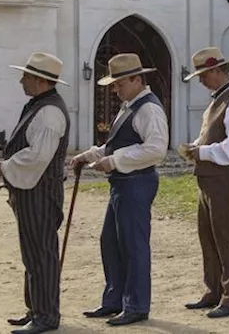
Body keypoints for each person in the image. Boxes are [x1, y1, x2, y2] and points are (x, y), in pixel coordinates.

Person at [71, 53, 169, 327]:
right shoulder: (130, 106)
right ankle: (114, 300)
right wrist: (90, 155)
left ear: (137, 79)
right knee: (111, 242)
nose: (116, 90)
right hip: (122, 183)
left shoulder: (149, 109)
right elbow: (116, 143)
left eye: (120, 84)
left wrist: (114, 161)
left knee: (133, 245)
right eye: (113, 85)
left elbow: (156, 149)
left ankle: (136, 305)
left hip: (137, 182)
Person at [0, 52, 71, 334]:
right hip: (32, 190)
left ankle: (46, 316)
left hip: (40, 191)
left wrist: (5, 167)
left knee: (41, 254)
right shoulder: (40, 106)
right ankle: (36, 309)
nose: (21, 80)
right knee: (33, 254)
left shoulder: (49, 112)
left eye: (26, 76)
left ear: (40, 80)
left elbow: (38, 157)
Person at [180, 47, 229, 319]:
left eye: (203, 75)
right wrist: (196, 146)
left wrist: (202, 152)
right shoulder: (219, 100)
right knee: (209, 237)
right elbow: (213, 137)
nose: (201, 81)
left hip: (225, 178)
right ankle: (214, 291)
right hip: (210, 179)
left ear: (216, 71)